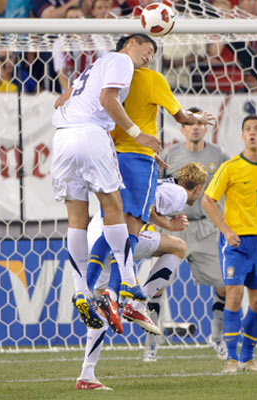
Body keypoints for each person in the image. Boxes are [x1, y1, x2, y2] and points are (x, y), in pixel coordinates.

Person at [86, 45, 216, 336]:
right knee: (134, 230)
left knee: (113, 225)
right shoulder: (151, 79)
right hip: (134, 158)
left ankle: (87, 293)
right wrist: (197, 119)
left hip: (106, 155)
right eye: (147, 50)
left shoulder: (104, 75)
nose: (149, 56)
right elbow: (180, 116)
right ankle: (124, 299)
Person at [51, 33, 161, 330]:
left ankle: (80, 291)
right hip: (91, 134)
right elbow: (107, 99)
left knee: (77, 218)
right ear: (130, 43)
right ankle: (128, 280)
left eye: (153, 54)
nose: (148, 57)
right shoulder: (121, 60)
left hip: (62, 138)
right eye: (147, 49)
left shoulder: (93, 68)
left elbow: (60, 101)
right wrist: (139, 134)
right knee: (114, 207)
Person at [76, 163, 208, 391]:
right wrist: (168, 224)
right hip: (116, 237)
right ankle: (138, 302)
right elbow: (144, 206)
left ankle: (87, 375)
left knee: (103, 311)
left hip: (95, 235)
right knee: (178, 247)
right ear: (198, 188)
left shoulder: (158, 182)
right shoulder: (178, 193)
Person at [202, 115, 257, 373]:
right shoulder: (231, 166)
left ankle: (247, 357)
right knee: (233, 296)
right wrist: (225, 229)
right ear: (242, 136)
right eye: (248, 129)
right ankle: (231, 359)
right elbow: (208, 200)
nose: (253, 133)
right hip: (236, 243)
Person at [159, 107, 230, 360]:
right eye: (190, 123)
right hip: (174, 225)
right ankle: (151, 345)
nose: (196, 127)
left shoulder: (219, 155)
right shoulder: (170, 154)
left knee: (224, 285)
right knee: (158, 285)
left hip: (206, 227)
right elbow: (154, 187)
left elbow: (231, 184)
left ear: (206, 128)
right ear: (183, 129)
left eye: (200, 124)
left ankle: (217, 338)